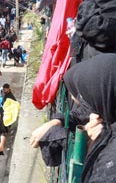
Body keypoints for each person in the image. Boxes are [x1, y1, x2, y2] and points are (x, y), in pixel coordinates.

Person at [31, 54, 116, 182]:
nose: (91, 115)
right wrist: (55, 122)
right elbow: (82, 113)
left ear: (102, 94)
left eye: (83, 96)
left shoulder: (110, 164)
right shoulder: (107, 106)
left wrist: (93, 145)